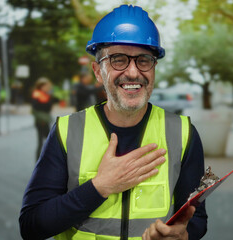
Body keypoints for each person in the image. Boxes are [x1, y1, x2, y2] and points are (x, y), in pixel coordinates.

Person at [20, 5, 208, 240]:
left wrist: (183, 235)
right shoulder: (67, 131)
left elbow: (196, 218)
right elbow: (31, 225)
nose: (132, 72)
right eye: (118, 60)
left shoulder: (183, 133)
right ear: (98, 71)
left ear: (154, 68)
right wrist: (100, 186)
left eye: (143, 60)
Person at [31, 77, 59, 160]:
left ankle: (44, 160)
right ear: (41, 86)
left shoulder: (45, 94)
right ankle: (39, 160)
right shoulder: (37, 95)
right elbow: (36, 109)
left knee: (48, 140)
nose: (49, 88)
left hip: (45, 120)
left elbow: (56, 100)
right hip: (41, 121)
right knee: (43, 141)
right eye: (47, 86)